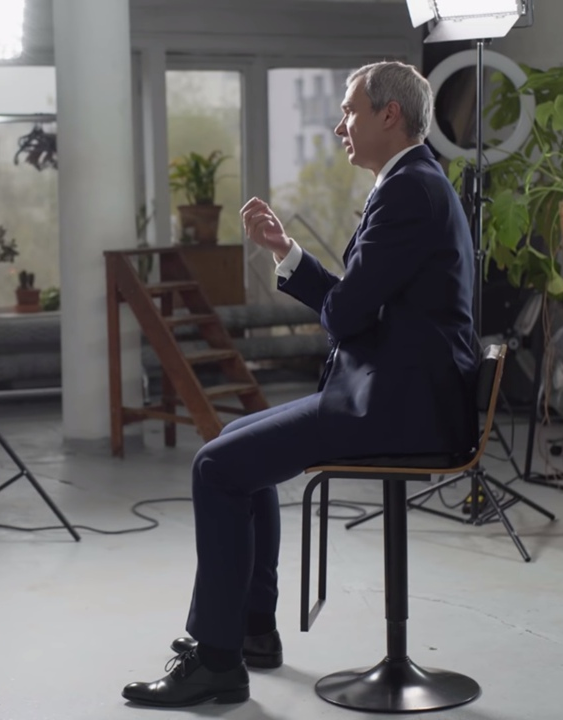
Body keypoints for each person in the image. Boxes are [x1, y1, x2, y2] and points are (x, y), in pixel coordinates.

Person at [121, 61, 479, 707]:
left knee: (216, 467)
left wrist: (337, 302)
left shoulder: (407, 192)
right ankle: (251, 631)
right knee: (232, 446)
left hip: (397, 407)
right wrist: (286, 252)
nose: (340, 125)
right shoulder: (415, 183)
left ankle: (218, 658)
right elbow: (359, 309)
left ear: (389, 115)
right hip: (396, 393)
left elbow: (347, 315)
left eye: (349, 111)